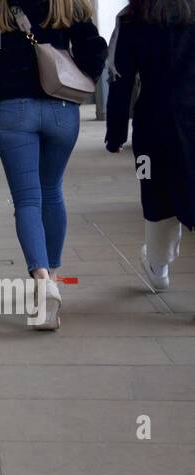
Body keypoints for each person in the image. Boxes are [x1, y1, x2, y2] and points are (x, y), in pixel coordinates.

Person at [0, 1, 106, 330]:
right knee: (52, 190)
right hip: (62, 109)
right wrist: (78, 78)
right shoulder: (66, 3)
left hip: (11, 112)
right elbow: (95, 50)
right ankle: (52, 275)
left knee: (27, 198)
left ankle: (41, 281)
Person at [104, 0, 194, 291]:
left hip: (154, 126)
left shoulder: (132, 18)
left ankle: (158, 266)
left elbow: (120, 79)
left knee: (155, 194)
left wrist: (116, 134)